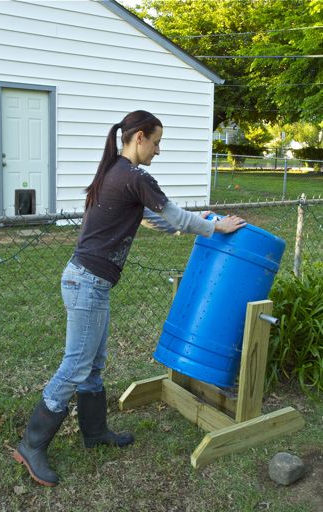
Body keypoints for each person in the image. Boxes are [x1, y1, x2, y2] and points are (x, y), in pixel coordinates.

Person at [13, 110, 246, 487]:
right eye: (156, 142)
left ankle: (95, 432)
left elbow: (156, 221)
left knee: (93, 363)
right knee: (75, 366)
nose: (158, 150)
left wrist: (198, 219)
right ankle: (32, 444)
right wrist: (215, 226)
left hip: (89, 282)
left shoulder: (115, 172)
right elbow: (176, 218)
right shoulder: (136, 176)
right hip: (86, 282)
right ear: (139, 138)